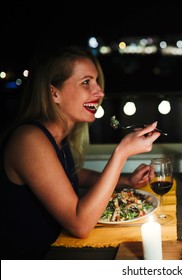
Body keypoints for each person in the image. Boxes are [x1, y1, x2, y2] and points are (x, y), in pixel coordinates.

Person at [0, 45, 162, 259]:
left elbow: (71, 174)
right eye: (86, 82)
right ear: (54, 92)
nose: (100, 91)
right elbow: (80, 225)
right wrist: (121, 152)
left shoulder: (56, 134)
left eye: (96, 81)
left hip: (57, 250)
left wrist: (126, 181)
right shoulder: (29, 140)